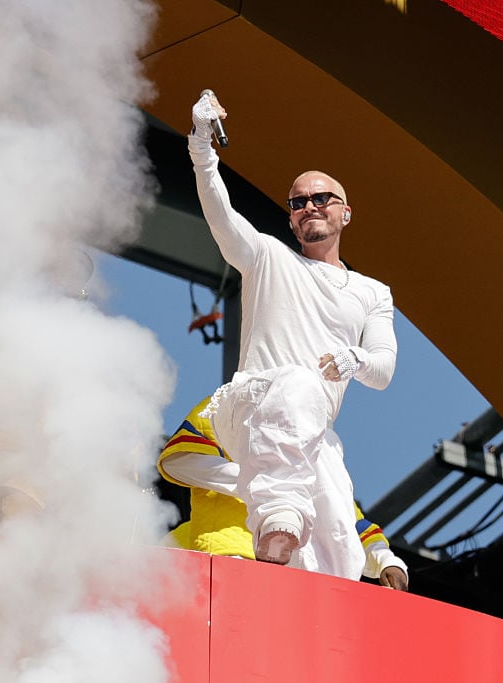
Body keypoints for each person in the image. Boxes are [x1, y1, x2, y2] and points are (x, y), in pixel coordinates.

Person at [188, 92, 398, 580]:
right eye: (298, 202)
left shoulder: (372, 292)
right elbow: (220, 215)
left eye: (321, 198)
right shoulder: (267, 257)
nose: (309, 207)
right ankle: (276, 519)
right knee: (300, 385)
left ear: (345, 212)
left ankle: (290, 584)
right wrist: (202, 147)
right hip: (253, 404)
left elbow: (384, 369)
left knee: (340, 548)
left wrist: (355, 361)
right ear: (289, 218)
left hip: (312, 430)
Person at [159, 397, 409, 590]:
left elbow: (344, 516)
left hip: (294, 583)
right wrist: (262, 485)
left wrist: (386, 560)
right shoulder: (227, 402)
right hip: (228, 555)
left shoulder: (318, 436)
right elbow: (181, 460)